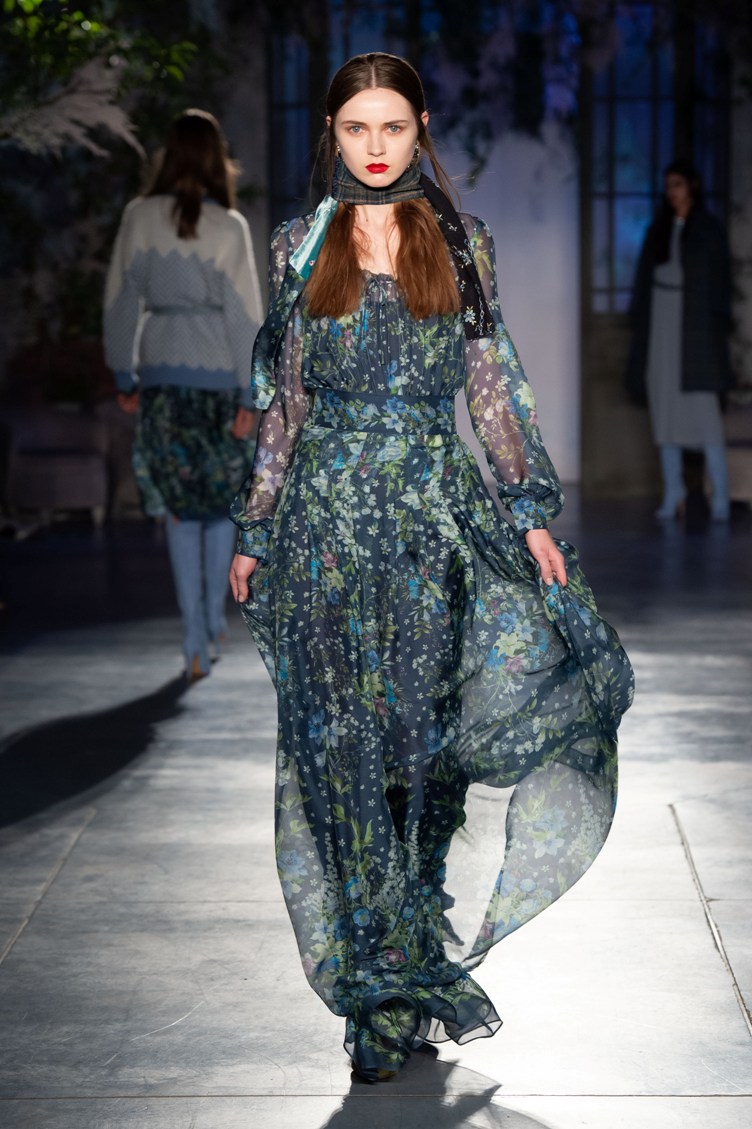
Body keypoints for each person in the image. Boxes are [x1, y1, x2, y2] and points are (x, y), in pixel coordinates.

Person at [229, 53, 633, 1082]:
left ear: (419, 132)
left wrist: (530, 512)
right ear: (332, 132)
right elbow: (286, 399)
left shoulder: (462, 242)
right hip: (324, 530)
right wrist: (255, 525)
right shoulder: (297, 244)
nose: (374, 146)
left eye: (393, 126)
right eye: (355, 127)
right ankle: (376, 989)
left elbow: (492, 382)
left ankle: (410, 955)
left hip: (427, 528)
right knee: (340, 756)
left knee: (416, 754)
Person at [104, 109, 263, 680]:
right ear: (219, 159)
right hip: (219, 379)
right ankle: (214, 623)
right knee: (219, 508)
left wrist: (124, 375)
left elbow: (120, 300)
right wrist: (249, 395)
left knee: (178, 509)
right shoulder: (228, 226)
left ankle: (193, 635)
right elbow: (245, 317)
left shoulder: (139, 217)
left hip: (162, 379)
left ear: (166, 156)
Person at [625, 159, 735, 521]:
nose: (672, 192)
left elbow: (719, 283)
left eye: (678, 184)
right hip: (662, 322)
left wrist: (716, 327)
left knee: (705, 415)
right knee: (664, 409)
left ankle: (720, 495)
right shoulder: (658, 227)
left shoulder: (708, 229)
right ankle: (674, 492)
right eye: (668, 185)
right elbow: (644, 280)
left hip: (696, 330)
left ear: (693, 186)